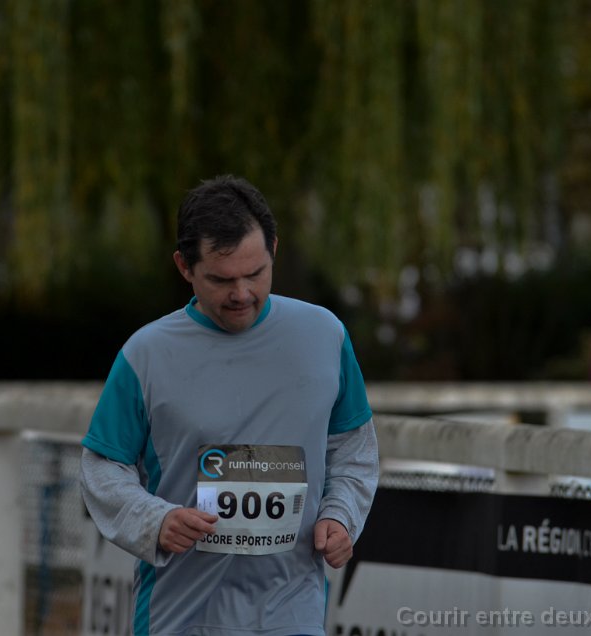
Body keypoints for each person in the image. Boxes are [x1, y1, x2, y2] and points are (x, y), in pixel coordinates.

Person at [80, 175, 379, 636]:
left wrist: (341, 515)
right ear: (184, 267)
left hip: (292, 613)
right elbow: (102, 467)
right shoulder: (145, 355)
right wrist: (155, 521)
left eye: (255, 273)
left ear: (274, 249)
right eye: (221, 280)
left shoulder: (326, 336)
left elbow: (353, 448)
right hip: (181, 618)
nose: (241, 294)